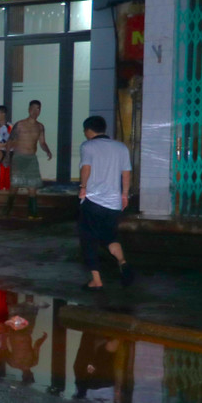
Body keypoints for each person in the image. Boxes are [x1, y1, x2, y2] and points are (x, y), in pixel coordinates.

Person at [78, 115, 134, 290]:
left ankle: (96, 280)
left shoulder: (88, 146)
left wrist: (83, 187)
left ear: (88, 130)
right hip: (113, 203)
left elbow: (86, 168)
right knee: (110, 237)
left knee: (89, 240)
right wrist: (124, 195)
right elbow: (126, 173)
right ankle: (122, 262)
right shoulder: (121, 147)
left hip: (93, 200)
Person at [6, 99, 53, 218]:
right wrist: (7, 156)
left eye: (38, 109)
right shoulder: (20, 124)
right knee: (15, 186)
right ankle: (7, 210)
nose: (35, 111)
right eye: (33, 108)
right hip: (19, 157)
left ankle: (32, 213)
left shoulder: (40, 127)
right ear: (29, 110)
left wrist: (47, 150)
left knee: (32, 187)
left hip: (31, 158)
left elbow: (42, 142)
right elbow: (10, 141)